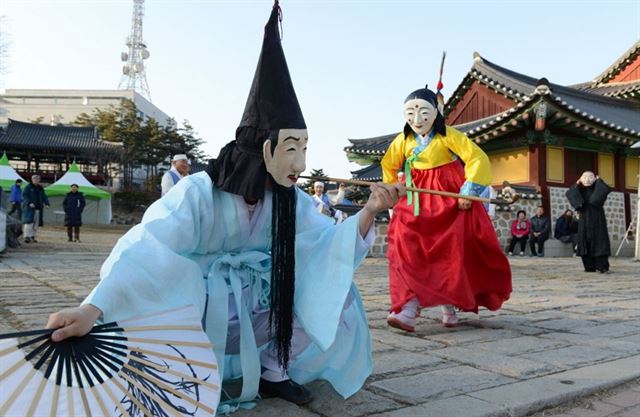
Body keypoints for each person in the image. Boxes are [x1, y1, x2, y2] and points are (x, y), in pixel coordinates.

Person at [45, 2, 404, 413]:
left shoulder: (288, 199)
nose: (301, 164)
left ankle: (275, 367)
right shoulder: (199, 192)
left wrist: (370, 210)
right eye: (292, 148)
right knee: (167, 293)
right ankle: (189, 374)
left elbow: (325, 244)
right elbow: (148, 248)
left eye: (305, 148)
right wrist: (93, 307)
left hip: (259, 304)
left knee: (335, 287)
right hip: (203, 307)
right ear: (264, 149)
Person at [381, 83, 511, 331]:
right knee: (404, 245)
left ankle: (449, 303)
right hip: (416, 199)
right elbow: (388, 165)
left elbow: (477, 157)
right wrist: (393, 190)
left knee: (449, 251)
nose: (417, 119)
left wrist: (469, 191)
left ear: (436, 113)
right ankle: (407, 306)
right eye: (410, 114)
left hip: (448, 197)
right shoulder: (403, 141)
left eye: (423, 113)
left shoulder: (448, 135)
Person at [566, 171, 612, 273]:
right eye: (584, 177)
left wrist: (599, 181)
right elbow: (571, 194)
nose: (587, 179)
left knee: (599, 242)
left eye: (590, 177)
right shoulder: (579, 189)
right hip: (584, 218)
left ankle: (602, 266)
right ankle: (589, 266)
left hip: (597, 218)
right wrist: (577, 184)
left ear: (595, 178)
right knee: (584, 241)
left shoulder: (598, 187)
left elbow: (599, 196)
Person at [21, 175, 49, 243]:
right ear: (32, 179)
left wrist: (47, 203)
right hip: (30, 208)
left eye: (38, 179)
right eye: (35, 179)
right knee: (29, 222)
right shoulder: (28, 187)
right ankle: (26, 236)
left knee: (36, 223)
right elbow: (24, 195)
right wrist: (29, 202)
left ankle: (32, 236)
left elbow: (44, 196)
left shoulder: (40, 188)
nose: (36, 180)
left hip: (38, 208)